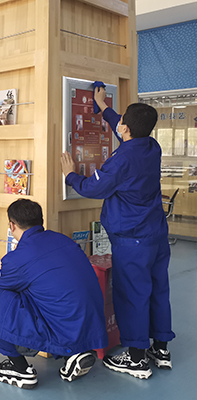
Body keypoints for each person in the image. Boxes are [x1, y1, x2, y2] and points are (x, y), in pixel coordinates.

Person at [61, 87, 175, 379]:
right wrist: (102, 106)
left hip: (132, 239)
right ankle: (160, 349)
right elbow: (123, 127)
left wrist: (70, 175)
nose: (118, 122)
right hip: (156, 234)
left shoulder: (122, 159)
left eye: (121, 120)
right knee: (158, 289)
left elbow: (93, 187)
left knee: (133, 294)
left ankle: (136, 358)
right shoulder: (151, 146)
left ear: (125, 128)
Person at [0, 199, 107, 389]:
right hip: (92, 326)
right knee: (46, 292)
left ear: (12, 225)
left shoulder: (18, 257)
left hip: (63, 328)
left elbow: (0, 286)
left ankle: (20, 369)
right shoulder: (63, 239)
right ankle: (73, 353)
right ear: (41, 221)